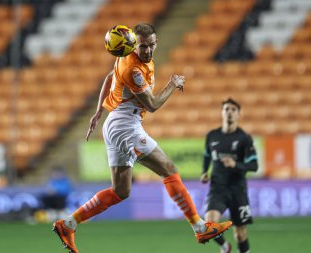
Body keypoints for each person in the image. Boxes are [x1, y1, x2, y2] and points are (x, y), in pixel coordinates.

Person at [52, 23, 232, 253]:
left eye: (151, 45)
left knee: (120, 191)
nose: (147, 50)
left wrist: (98, 111)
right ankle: (199, 227)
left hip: (116, 124)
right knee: (169, 168)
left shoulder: (126, 55)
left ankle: (68, 224)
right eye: (143, 46)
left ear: (156, 42)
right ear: (135, 44)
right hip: (126, 126)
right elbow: (153, 105)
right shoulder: (134, 70)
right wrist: (173, 84)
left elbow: (110, 76)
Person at [201, 98, 258, 253]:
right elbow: (207, 155)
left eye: (233, 110)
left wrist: (236, 165)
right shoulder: (212, 136)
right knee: (209, 225)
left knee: (240, 234)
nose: (229, 112)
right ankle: (225, 247)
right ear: (222, 113)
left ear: (238, 114)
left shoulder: (244, 138)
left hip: (238, 190)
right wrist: (204, 172)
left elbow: (254, 166)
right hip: (218, 189)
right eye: (226, 109)